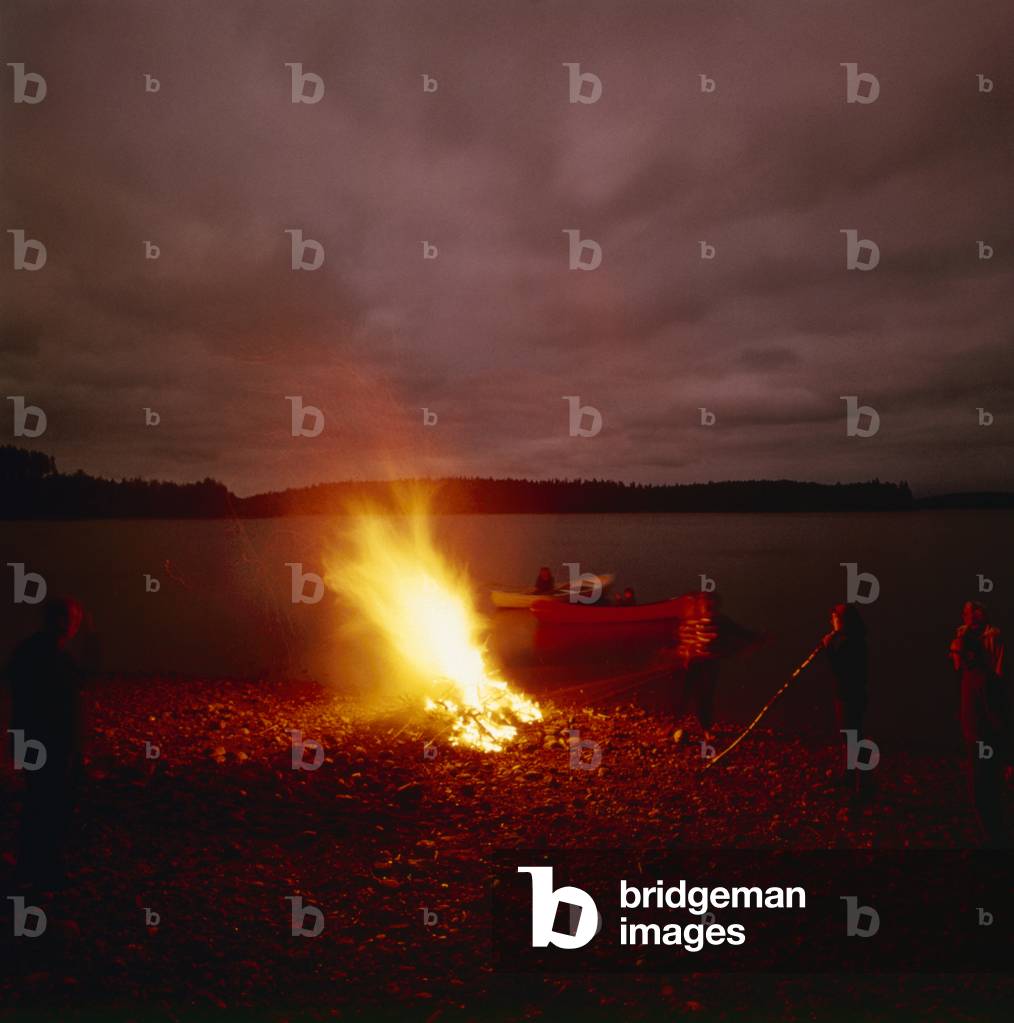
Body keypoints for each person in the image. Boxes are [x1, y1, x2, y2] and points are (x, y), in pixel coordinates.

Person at [4, 596, 85, 889]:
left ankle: (36, 866)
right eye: (69, 618)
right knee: (47, 805)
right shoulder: (48, 657)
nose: (72, 625)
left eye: (74, 619)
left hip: (47, 744)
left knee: (43, 803)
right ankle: (40, 869)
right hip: (48, 744)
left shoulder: (38, 653)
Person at [948, 600, 1007, 846]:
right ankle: (988, 831)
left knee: (986, 778)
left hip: (986, 720)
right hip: (975, 721)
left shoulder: (993, 642)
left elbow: (998, 679)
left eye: (973, 611)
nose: (969, 615)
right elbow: (958, 669)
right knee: (980, 777)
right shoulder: (969, 673)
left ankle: (992, 833)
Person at [670, 592, 760, 746]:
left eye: (711, 604)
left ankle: (706, 728)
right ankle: (673, 724)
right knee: (682, 695)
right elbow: (682, 640)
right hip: (690, 664)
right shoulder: (691, 620)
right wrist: (683, 654)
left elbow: (740, 632)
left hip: (709, 664)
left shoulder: (721, 621)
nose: (708, 606)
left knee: (705, 696)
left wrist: (757, 637)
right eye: (705, 603)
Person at [822, 603, 871, 796]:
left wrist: (829, 649)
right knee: (849, 737)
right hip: (848, 695)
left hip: (850, 696)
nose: (832, 620)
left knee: (853, 738)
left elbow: (841, 670)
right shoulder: (853, 640)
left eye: (835, 617)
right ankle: (850, 776)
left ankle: (863, 782)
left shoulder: (852, 643)